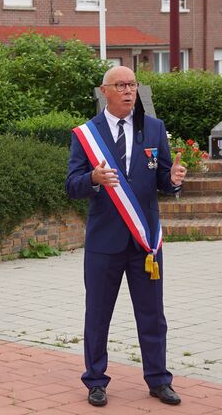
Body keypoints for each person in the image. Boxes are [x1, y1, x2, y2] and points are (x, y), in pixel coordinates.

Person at [66, 66, 186, 407]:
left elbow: (163, 179)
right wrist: (92, 178)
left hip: (145, 242)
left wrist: (175, 179)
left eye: (132, 84)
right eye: (120, 85)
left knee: (152, 314)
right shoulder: (86, 134)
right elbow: (72, 186)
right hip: (105, 243)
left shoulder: (154, 128)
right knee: (98, 313)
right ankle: (95, 381)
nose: (128, 90)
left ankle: (159, 380)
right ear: (105, 91)